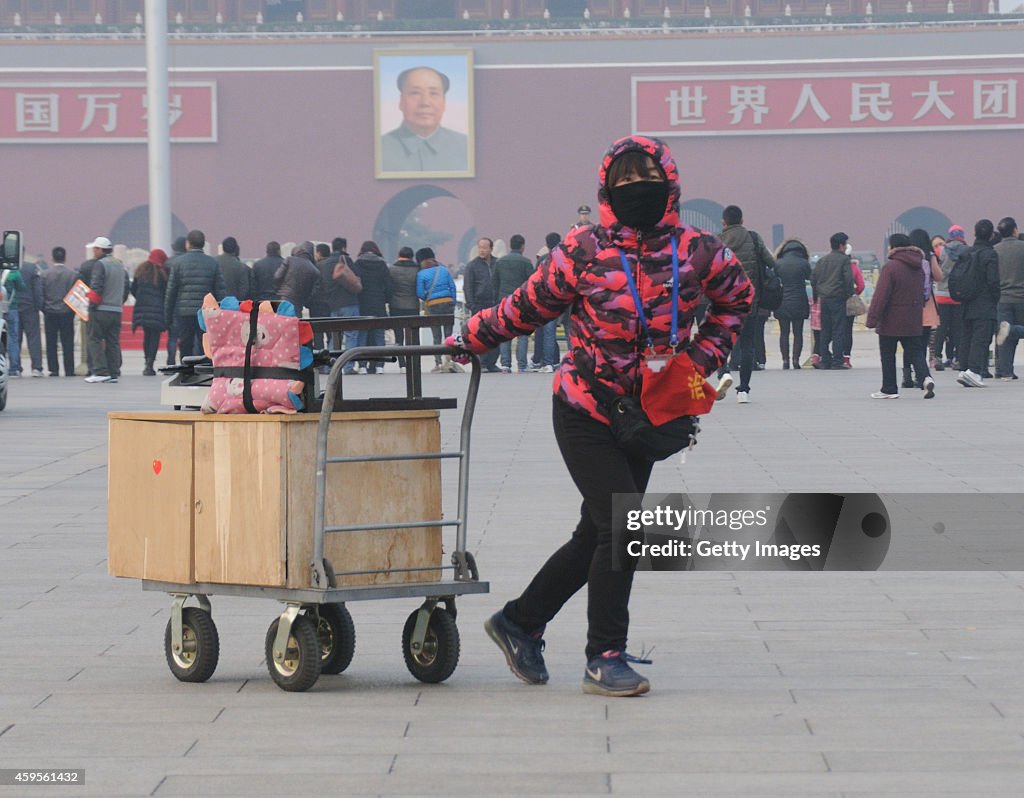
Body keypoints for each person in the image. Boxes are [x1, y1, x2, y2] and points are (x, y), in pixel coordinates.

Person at [448, 135, 752, 697]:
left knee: (599, 529)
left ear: (671, 185)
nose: (638, 191)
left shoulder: (699, 250)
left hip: (652, 412)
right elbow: (526, 308)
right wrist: (468, 337)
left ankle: (520, 621)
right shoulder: (583, 249)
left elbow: (737, 302)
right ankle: (604, 654)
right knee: (624, 524)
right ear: (608, 189)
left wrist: (698, 363)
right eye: (626, 182)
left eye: (649, 180)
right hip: (586, 406)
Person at [865, 233, 935, 400]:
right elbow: (924, 292)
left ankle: (889, 388)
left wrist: (872, 318)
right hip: (913, 318)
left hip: (891, 319)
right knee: (916, 352)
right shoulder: (919, 266)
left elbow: (881, 295)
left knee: (888, 354)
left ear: (893, 247)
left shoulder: (891, 267)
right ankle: (925, 378)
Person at [715, 204, 774, 402]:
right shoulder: (754, 238)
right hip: (750, 301)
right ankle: (744, 390)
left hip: (724, 302)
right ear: (742, 221)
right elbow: (772, 263)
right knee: (748, 345)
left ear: (724, 222)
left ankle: (723, 373)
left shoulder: (718, 241)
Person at [380, 66, 468, 173]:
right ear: (401, 101)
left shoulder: (467, 147)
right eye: (415, 93)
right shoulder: (378, 149)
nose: (425, 103)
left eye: (433, 93)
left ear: (444, 103)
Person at [164, 229, 226, 359]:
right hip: (205, 312)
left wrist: (168, 315)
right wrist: (222, 313)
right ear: (203, 244)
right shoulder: (213, 263)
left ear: (188, 244)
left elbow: (171, 291)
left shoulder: (178, 263)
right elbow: (220, 290)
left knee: (185, 344)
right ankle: (203, 371)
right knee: (204, 343)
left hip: (184, 311)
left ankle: (186, 371)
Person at [957, 219, 1001, 388]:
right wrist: (995, 297)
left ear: (974, 234)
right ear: (991, 235)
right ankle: (974, 371)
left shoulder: (967, 252)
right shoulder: (990, 254)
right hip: (984, 302)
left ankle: (964, 368)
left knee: (967, 336)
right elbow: (993, 281)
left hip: (966, 300)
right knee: (981, 338)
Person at [83, 236, 129, 384]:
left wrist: (91, 307)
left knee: (94, 339)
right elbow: (126, 287)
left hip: (101, 310)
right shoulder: (120, 265)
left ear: (99, 249)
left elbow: (97, 288)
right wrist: (118, 303)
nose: (93, 252)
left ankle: (101, 371)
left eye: (95, 249)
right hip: (116, 310)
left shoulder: (100, 265)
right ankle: (113, 372)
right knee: (113, 341)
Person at [904, 229, 942, 389]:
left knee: (908, 342)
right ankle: (922, 376)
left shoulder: (905, 257)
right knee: (922, 343)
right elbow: (939, 276)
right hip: (926, 306)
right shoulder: (929, 256)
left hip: (908, 305)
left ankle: (907, 376)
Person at [811, 232, 855, 370]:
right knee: (838, 330)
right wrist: (848, 294)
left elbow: (813, 280)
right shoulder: (843, 260)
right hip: (838, 298)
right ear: (842, 245)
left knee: (825, 330)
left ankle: (824, 360)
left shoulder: (822, 260)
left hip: (824, 299)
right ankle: (837, 360)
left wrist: (817, 296)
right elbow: (848, 280)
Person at [491, 234, 534, 373]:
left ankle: (505, 364)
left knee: (505, 332)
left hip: (504, 301)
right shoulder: (526, 262)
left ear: (510, 245)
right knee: (522, 334)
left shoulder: (500, 262)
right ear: (523, 246)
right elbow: (532, 283)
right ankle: (521, 365)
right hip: (521, 302)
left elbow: (494, 283)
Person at [350, 241, 393, 375]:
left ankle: (362, 365)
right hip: (378, 303)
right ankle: (380, 365)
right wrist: (385, 299)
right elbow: (389, 285)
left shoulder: (357, 264)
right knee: (379, 334)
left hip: (362, 302)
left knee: (362, 334)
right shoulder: (382, 265)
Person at [415, 247, 459, 373]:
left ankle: (438, 364)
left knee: (436, 336)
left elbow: (419, 293)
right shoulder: (444, 270)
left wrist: (428, 299)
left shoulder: (421, 274)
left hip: (433, 305)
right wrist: (453, 301)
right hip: (447, 303)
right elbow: (452, 287)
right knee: (449, 335)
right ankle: (450, 362)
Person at [772, 238, 811, 369]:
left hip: (782, 301)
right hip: (799, 300)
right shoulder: (804, 263)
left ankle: (785, 361)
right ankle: (796, 360)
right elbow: (810, 278)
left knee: (784, 333)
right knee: (798, 333)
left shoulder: (778, 263)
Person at [463, 237, 500, 372]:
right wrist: (471, 305)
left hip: (494, 304)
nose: (482, 250)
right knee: (481, 334)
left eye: (485, 247)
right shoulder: (472, 266)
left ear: (491, 249)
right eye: (480, 247)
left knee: (496, 334)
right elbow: (468, 286)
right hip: (479, 304)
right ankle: (482, 363)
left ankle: (492, 362)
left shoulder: (497, 263)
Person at [528, 232, 563, 373]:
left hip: (544, 301)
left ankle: (546, 362)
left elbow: (535, 280)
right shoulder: (565, 259)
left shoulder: (542, 260)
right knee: (564, 332)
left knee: (545, 332)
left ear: (547, 244)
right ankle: (556, 361)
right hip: (562, 299)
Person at [994, 217, 1024, 380]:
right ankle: (1012, 329)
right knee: (1012, 332)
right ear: (1015, 230)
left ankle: (1005, 371)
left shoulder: (995, 249)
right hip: (1021, 297)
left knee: (1005, 338)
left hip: (1002, 298)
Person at [131, 249, 169, 376]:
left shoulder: (140, 271)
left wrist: (141, 299)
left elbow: (133, 289)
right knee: (154, 337)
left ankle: (147, 362)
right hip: (157, 310)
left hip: (143, 309)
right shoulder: (162, 274)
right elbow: (166, 293)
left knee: (147, 336)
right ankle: (150, 363)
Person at [41, 246, 77, 377]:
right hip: (67, 312)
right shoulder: (73, 274)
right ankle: (69, 369)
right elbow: (75, 295)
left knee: (51, 342)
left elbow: (41, 294)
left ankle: (53, 369)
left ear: (52, 258)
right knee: (68, 342)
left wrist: (44, 308)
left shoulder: (45, 274)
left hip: (50, 312)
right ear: (65, 258)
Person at [935, 225, 968, 370]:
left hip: (942, 295)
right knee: (958, 329)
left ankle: (937, 357)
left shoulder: (941, 250)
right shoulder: (967, 251)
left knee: (941, 328)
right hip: (959, 295)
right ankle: (958, 358)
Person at [388, 246, 422, 369]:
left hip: (396, 305)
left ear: (399, 255)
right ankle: (414, 361)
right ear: (411, 257)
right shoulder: (418, 270)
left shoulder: (391, 269)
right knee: (413, 335)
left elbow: (389, 288)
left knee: (399, 336)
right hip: (413, 305)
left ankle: (402, 363)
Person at [274, 241, 320, 316]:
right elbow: (313, 293)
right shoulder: (315, 270)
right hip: (299, 302)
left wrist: (279, 290)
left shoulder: (289, 260)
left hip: (284, 298)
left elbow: (277, 276)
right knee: (295, 324)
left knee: (282, 323)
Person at [163, 236, 187, 366]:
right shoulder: (188, 262)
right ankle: (186, 362)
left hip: (173, 304)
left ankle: (170, 361)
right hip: (185, 303)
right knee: (187, 337)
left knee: (172, 337)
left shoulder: (167, 263)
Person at [217, 236, 253, 303]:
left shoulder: (214, 262)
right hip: (234, 306)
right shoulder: (242, 267)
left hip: (217, 304)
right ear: (236, 249)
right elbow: (244, 289)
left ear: (223, 248)